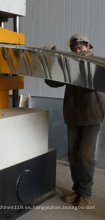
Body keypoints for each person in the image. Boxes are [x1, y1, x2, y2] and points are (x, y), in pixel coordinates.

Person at [45, 34, 105, 207]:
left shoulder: (97, 63)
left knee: (86, 157)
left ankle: (85, 194)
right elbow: (53, 82)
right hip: (72, 116)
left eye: (81, 46)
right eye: (75, 47)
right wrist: (51, 60)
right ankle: (77, 190)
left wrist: (86, 62)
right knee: (73, 157)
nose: (78, 49)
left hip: (92, 116)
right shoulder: (68, 65)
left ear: (88, 47)